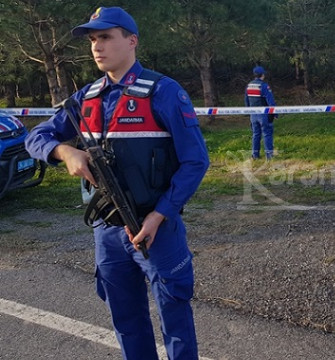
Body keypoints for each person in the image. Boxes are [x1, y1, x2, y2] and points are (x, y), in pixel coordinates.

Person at [25, 7, 209, 360]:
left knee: (176, 320)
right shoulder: (85, 98)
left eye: (106, 37)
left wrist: (160, 215)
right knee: (126, 320)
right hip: (107, 233)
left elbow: (196, 161)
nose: (97, 46)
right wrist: (64, 151)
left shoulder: (163, 92)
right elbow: (38, 137)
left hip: (156, 227)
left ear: (132, 40)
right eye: (93, 39)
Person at [245, 66, 277, 160]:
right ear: (263, 75)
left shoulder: (249, 86)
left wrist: (248, 111)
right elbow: (270, 101)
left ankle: (255, 155)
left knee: (256, 134)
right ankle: (269, 156)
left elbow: (246, 100)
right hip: (263, 114)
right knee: (267, 134)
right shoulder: (264, 86)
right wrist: (275, 113)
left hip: (253, 114)